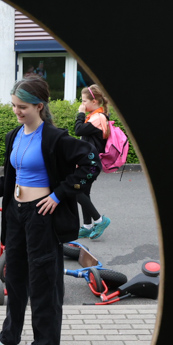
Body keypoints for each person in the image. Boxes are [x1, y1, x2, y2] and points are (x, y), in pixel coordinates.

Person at [0, 76, 100, 345]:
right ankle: (9, 337)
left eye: (23, 107)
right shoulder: (14, 136)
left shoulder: (54, 138)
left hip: (42, 215)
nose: (16, 111)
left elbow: (92, 163)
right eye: (14, 105)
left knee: (44, 280)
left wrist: (58, 195)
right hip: (15, 214)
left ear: (39, 106)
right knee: (14, 276)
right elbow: (13, 176)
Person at [72, 84, 112, 239]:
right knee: (84, 193)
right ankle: (88, 226)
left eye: (84, 101)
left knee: (75, 189)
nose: (82, 104)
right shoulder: (96, 116)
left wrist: (80, 114)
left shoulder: (97, 118)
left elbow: (78, 130)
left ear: (94, 102)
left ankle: (100, 220)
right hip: (89, 162)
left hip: (90, 164)